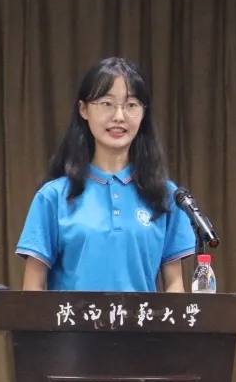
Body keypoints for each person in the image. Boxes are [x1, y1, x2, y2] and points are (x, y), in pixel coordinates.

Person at [15, 57, 197, 292]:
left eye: (131, 105)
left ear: (143, 113)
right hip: (72, 319)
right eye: (107, 103)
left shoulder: (165, 195)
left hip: (142, 318)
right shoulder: (53, 196)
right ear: (84, 109)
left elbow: (174, 285)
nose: (119, 116)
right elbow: (33, 288)